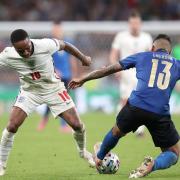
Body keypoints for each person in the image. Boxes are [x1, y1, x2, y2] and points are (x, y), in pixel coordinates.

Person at [69, 34, 180, 178]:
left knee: (116, 132)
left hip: (135, 107)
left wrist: (84, 78)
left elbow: (108, 69)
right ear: (169, 52)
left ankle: (100, 156)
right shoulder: (176, 64)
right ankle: (153, 165)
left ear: (152, 48)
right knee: (173, 153)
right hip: (159, 113)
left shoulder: (142, 56)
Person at [0, 29, 95, 176]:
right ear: (14, 48)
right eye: (21, 51)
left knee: (77, 125)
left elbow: (65, 45)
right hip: (29, 91)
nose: (25, 52)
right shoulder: (8, 55)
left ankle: (82, 152)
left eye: (27, 48)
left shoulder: (44, 45)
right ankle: (1, 164)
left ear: (30, 40)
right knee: (12, 125)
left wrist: (83, 58)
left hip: (53, 89)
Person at [110, 11, 152, 136]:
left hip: (141, 74)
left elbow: (151, 56)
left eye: (137, 23)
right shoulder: (121, 36)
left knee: (142, 101)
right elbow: (113, 53)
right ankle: (120, 125)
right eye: (132, 23)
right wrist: (115, 68)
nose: (134, 25)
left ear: (140, 24)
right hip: (126, 72)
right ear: (129, 24)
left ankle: (139, 130)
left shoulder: (147, 37)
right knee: (125, 100)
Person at [37, 21, 77, 133]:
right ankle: (51, 122)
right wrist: (54, 70)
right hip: (55, 76)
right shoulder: (50, 44)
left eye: (58, 30)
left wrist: (74, 75)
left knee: (64, 101)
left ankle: (61, 124)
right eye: (55, 30)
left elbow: (72, 59)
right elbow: (45, 60)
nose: (57, 32)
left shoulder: (68, 42)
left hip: (67, 76)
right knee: (54, 100)